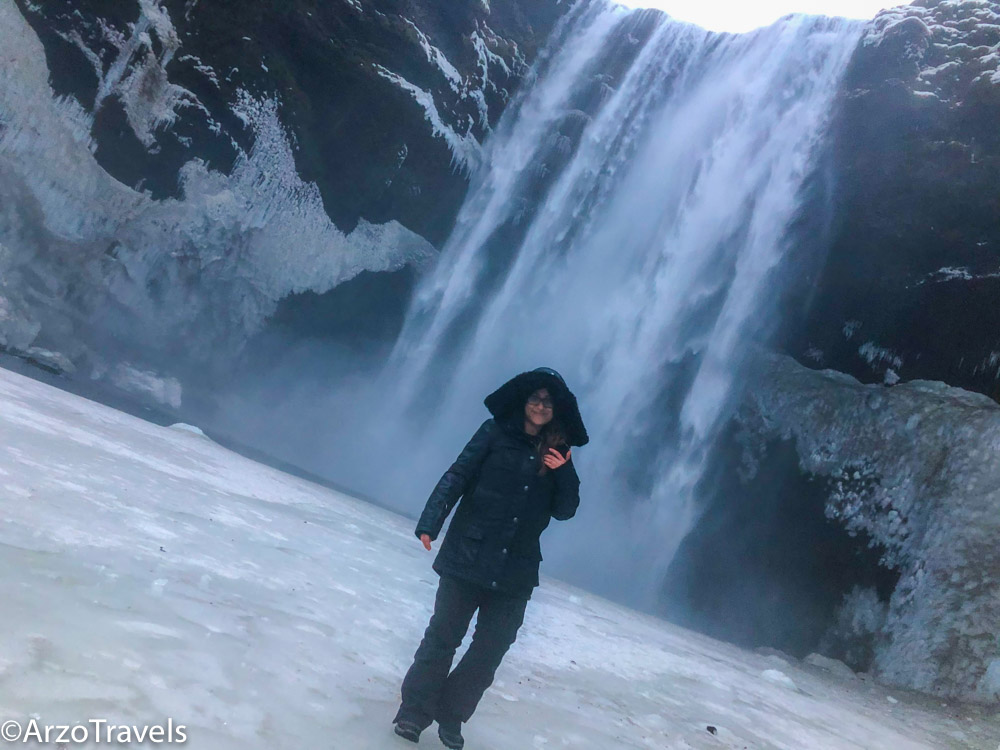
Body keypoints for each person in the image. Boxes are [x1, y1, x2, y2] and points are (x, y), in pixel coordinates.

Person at [392, 367, 589, 749]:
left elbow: (566, 510)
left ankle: (451, 716)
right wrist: (431, 521)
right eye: (534, 397)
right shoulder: (493, 432)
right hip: (468, 553)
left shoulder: (559, 453)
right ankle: (413, 715)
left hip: (516, 570)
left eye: (548, 401)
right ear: (522, 400)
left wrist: (563, 474)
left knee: (489, 650)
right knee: (442, 639)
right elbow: (458, 475)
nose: (540, 405)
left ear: (557, 409)